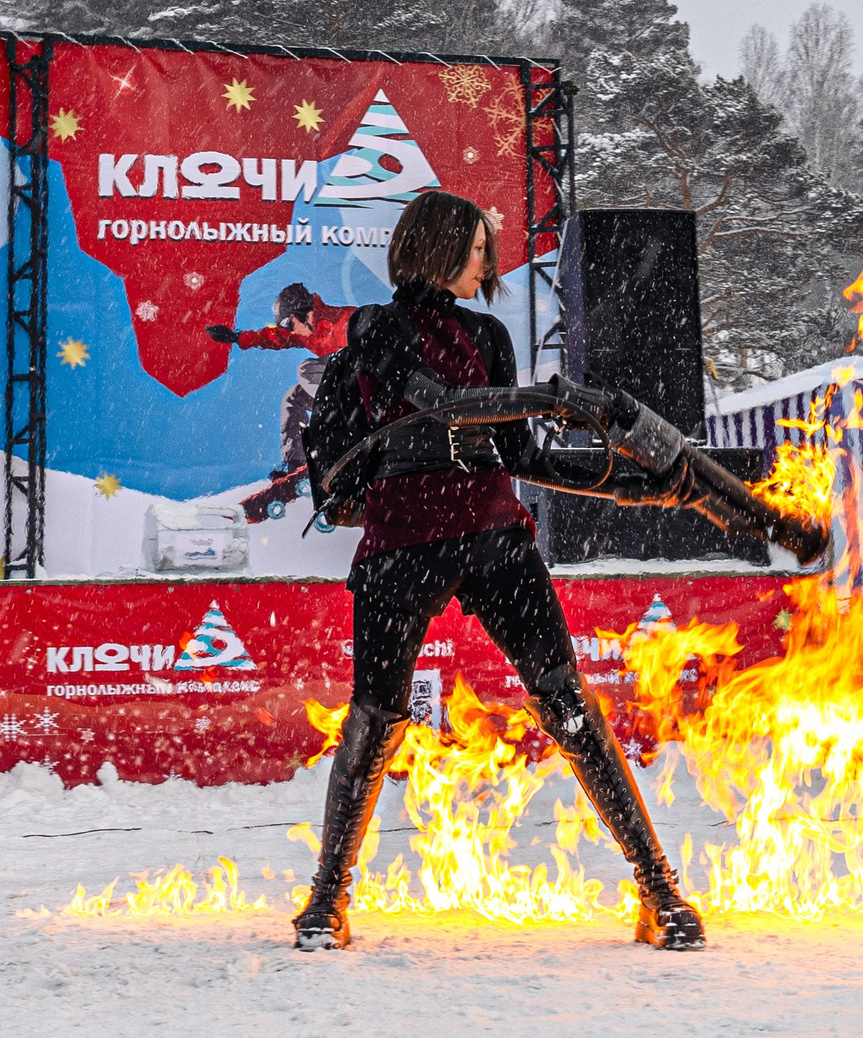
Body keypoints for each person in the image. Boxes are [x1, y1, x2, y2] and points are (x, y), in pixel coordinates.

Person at [292, 190, 706, 954]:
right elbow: (403, 420)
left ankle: (659, 890)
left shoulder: (487, 333)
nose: (487, 260)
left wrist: (636, 479)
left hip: (490, 533)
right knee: (374, 714)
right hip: (405, 539)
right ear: (442, 247)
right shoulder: (376, 329)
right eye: (478, 247)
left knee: (568, 701)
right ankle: (326, 902)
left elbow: (525, 457)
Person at [207, 284, 357, 477]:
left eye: (287, 324)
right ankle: (297, 464)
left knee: (307, 370)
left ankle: (341, 420)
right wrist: (236, 337)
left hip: (360, 390)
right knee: (293, 398)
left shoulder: (344, 321)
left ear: (301, 315)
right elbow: (274, 337)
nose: (289, 332)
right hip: (337, 391)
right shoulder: (303, 331)